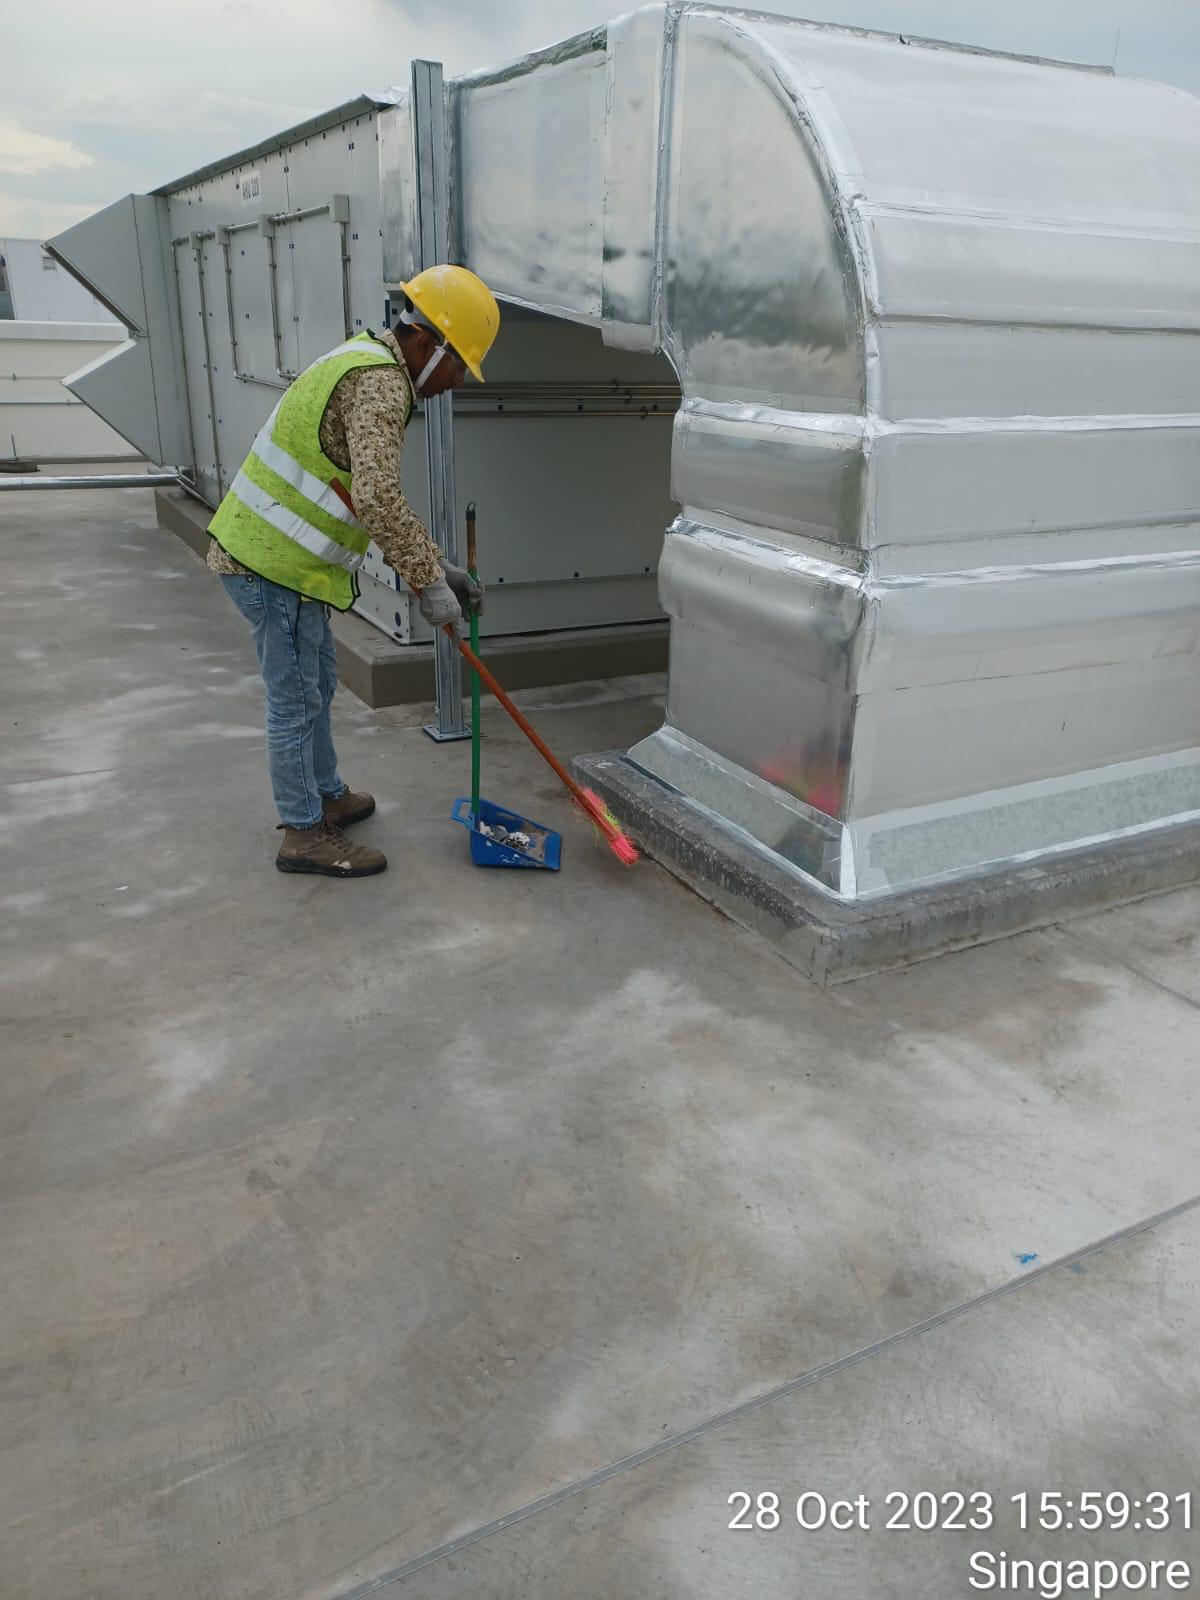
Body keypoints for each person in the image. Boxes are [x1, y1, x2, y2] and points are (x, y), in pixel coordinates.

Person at [206, 265, 500, 879]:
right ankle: (303, 832)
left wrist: (440, 568)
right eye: (456, 368)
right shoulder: (380, 384)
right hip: (266, 564)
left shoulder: (369, 363)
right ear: (427, 344)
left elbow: (361, 496)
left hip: (294, 570)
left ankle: (327, 794)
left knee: (317, 683)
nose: (455, 384)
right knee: (293, 701)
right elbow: (377, 498)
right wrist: (429, 585)